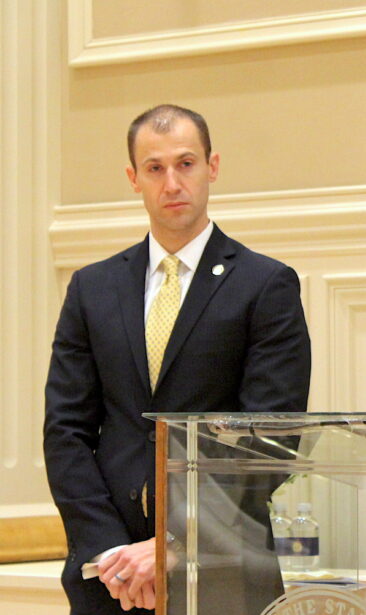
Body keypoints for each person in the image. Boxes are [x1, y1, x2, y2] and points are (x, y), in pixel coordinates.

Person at [43, 104, 311, 615]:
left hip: (221, 567)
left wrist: (172, 545)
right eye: (155, 168)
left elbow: (270, 439)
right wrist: (111, 552)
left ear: (212, 167)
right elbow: (66, 431)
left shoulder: (266, 285)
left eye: (186, 164)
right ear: (133, 178)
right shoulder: (91, 288)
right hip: (109, 577)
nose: (172, 183)